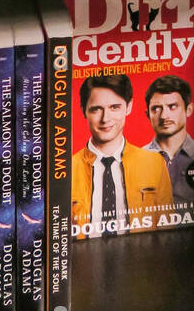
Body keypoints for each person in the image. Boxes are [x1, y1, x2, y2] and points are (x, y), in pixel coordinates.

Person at [71, 73, 172, 239]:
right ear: (83, 111)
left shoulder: (154, 164)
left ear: (129, 107)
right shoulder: (66, 169)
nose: (105, 119)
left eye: (114, 107)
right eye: (96, 109)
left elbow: (167, 231)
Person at [143, 74, 194, 209]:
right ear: (148, 114)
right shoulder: (133, 163)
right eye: (156, 109)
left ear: (188, 110)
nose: (164, 116)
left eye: (172, 106)